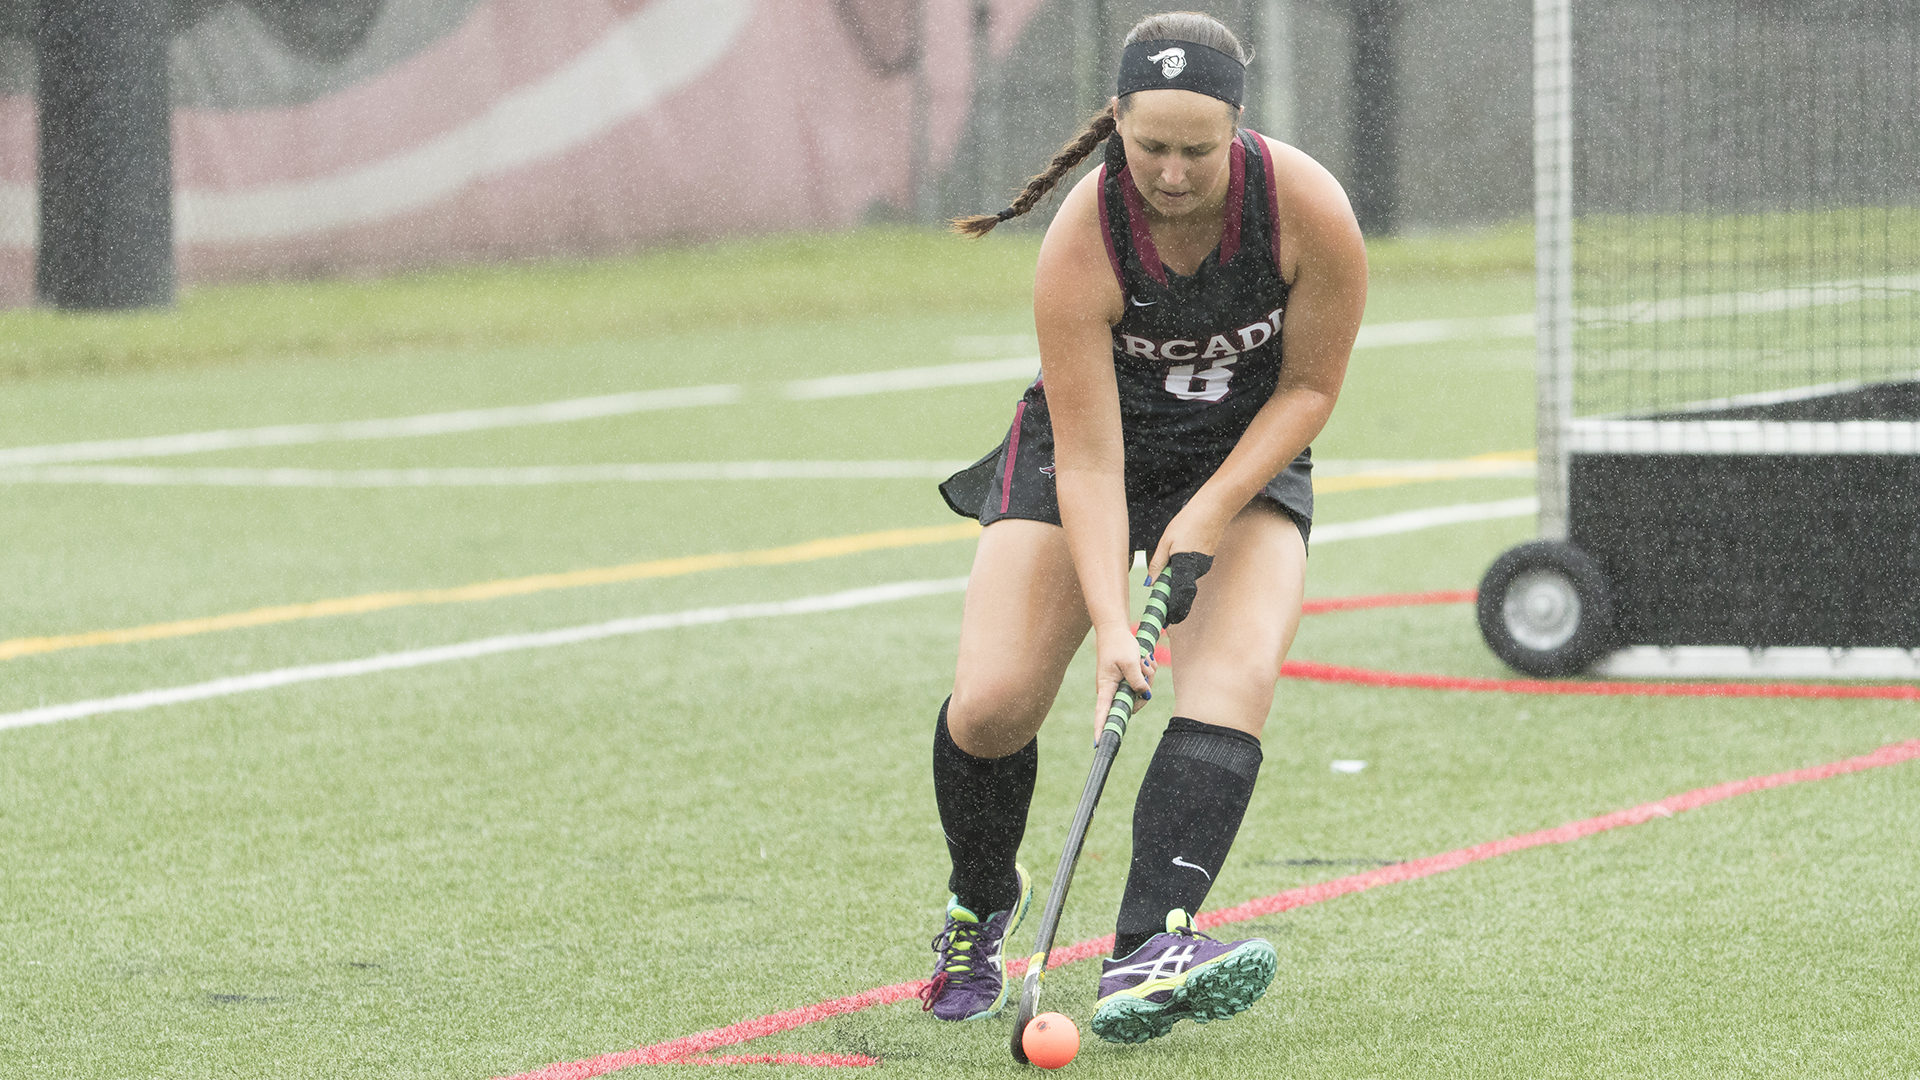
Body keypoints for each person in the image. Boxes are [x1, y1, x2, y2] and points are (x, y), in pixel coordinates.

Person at [919, 10, 1365, 1045]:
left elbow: (1307, 388)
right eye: (1150, 146)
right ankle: (981, 897)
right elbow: (1089, 458)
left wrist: (1210, 509)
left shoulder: (1306, 211)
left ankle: (1147, 949)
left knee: (1237, 668)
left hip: (1242, 455)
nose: (1169, 172)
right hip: (1086, 449)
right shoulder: (1086, 235)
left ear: (1238, 131)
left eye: (1195, 151)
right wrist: (1115, 626)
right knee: (990, 709)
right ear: (1116, 120)